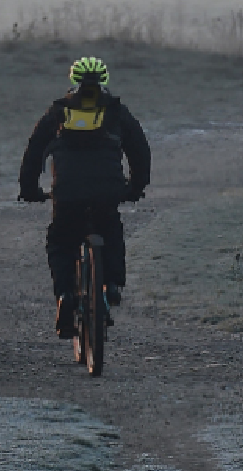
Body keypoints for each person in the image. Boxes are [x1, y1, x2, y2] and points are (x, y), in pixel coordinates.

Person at [18, 55, 151, 339]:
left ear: (73, 80)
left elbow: (33, 153)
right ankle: (112, 284)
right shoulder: (116, 112)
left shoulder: (58, 112)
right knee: (111, 229)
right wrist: (136, 187)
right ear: (104, 80)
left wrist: (29, 189)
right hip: (107, 191)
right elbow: (140, 152)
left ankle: (65, 295)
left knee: (61, 241)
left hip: (66, 193)